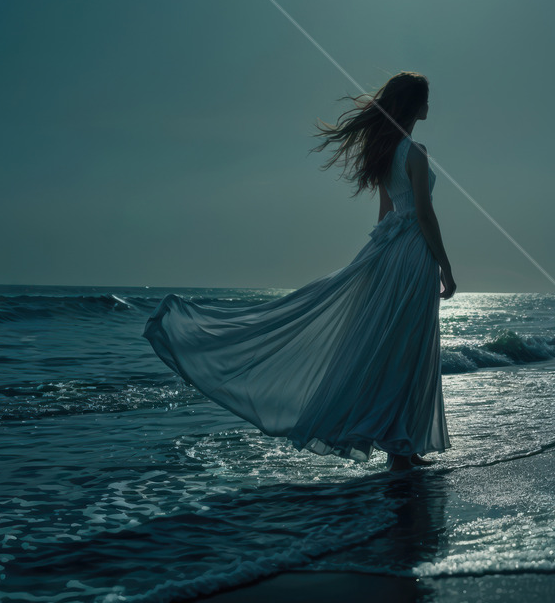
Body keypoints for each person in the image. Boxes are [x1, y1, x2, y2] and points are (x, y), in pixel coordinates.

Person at [143, 71, 453, 471]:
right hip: (413, 255)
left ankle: (402, 447)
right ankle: (401, 450)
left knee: (395, 350)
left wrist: (372, 261)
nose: (431, 106)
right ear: (417, 106)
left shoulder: (385, 150)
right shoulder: (415, 152)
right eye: (427, 99)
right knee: (407, 349)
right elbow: (424, 216)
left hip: (392, 252)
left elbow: (383, 215)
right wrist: (445, 265)